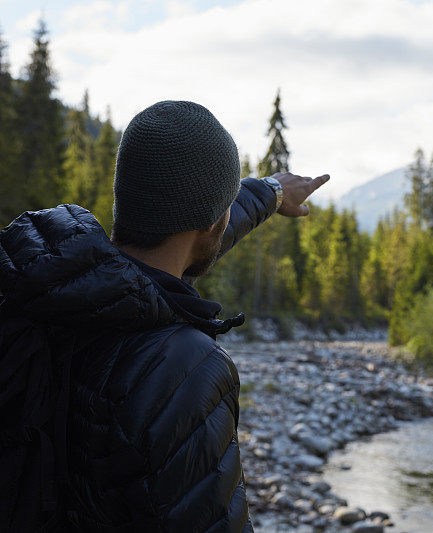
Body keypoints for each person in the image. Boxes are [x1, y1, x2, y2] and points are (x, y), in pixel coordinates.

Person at [0, 100, 329, 531]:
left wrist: (270, 192)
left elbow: (190, 236)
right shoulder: (184, 371)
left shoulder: (48, 284)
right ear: (211, 222)